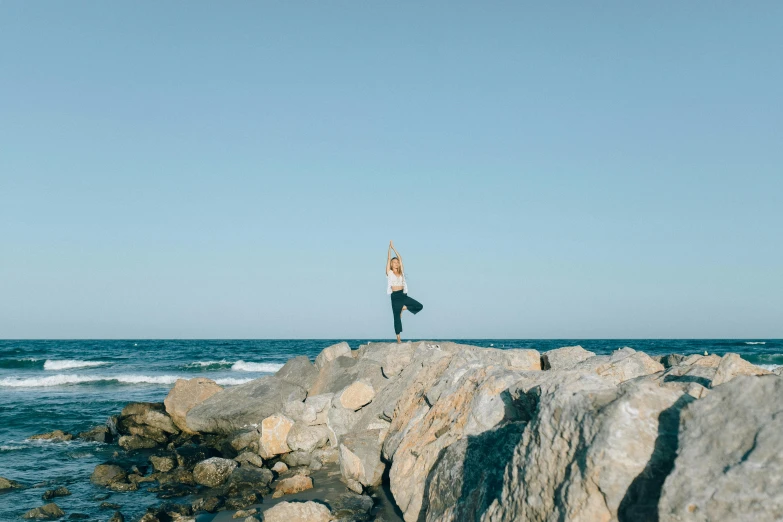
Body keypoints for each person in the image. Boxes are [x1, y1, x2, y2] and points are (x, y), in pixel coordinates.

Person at [386, 241, 423, 343]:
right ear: (391, 264)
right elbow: (388, 259)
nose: (396, 263)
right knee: (396, 317)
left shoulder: (401, 272)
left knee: (419, 306)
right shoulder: (389, 273)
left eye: (397, 262)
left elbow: (401, 259)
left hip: (403, 295)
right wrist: (389, 249)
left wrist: (394, 248)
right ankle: (398, 338)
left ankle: (404, 307)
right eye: (394, 262)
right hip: (395, 297)